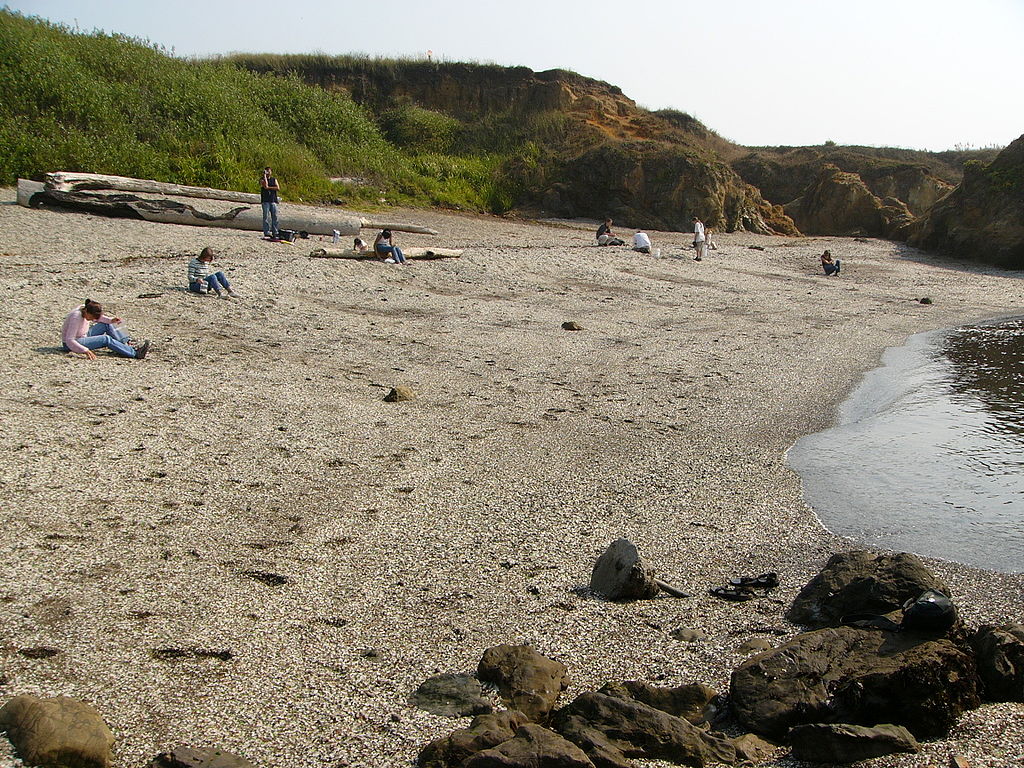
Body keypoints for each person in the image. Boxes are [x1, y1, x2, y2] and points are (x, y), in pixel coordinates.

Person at [61, 299, 150, 361]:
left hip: (83, 335)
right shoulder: (76, 317)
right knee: (106, 339)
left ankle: (127, 344)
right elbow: (69, 340)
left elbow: (99, 318)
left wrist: (111, 320)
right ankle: (134, 353)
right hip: (72, 344)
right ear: (87, 312)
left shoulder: (86, 308)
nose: (92, 320)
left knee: (107, 324)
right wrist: (85, 350)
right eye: (92, 317)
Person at [260, 166, 280, 240]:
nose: (268, 173)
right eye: (267, 171)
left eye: (269, 171)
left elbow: (278, 188)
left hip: (273, 200)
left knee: (275, 216)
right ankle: (266, 231)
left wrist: (269, 188)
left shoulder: (274, 179)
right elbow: (265, 186)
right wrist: (264, 176)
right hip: (265, 200)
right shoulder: (262, 180)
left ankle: (275, 231)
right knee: (266, 216)